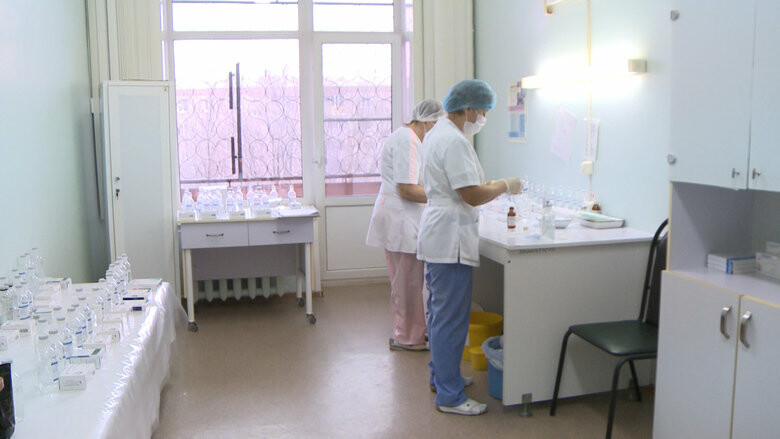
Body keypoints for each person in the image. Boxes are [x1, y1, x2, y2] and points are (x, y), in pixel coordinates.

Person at [417, 79, 523, 415]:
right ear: (467, 108)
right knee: (450, 318)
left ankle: (442, 377)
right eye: (482, 111)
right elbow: (471, 195)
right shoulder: (453, 141)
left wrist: (491, 185)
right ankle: (449, 396)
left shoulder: (438, 133)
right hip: (449, 237)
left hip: (440, 232)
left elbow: (464, 185)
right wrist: (504, 185)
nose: (483, 117)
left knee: (440, 314)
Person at [366, 99, 445, 351]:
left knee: (405, 281)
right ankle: (409, 337)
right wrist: (443, 196)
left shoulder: (409, 138)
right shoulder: (408, 140)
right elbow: (408, 189)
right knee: (408, 283)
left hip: (400, 217)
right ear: (428, 121)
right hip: (401, 218)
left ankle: (410, 331)